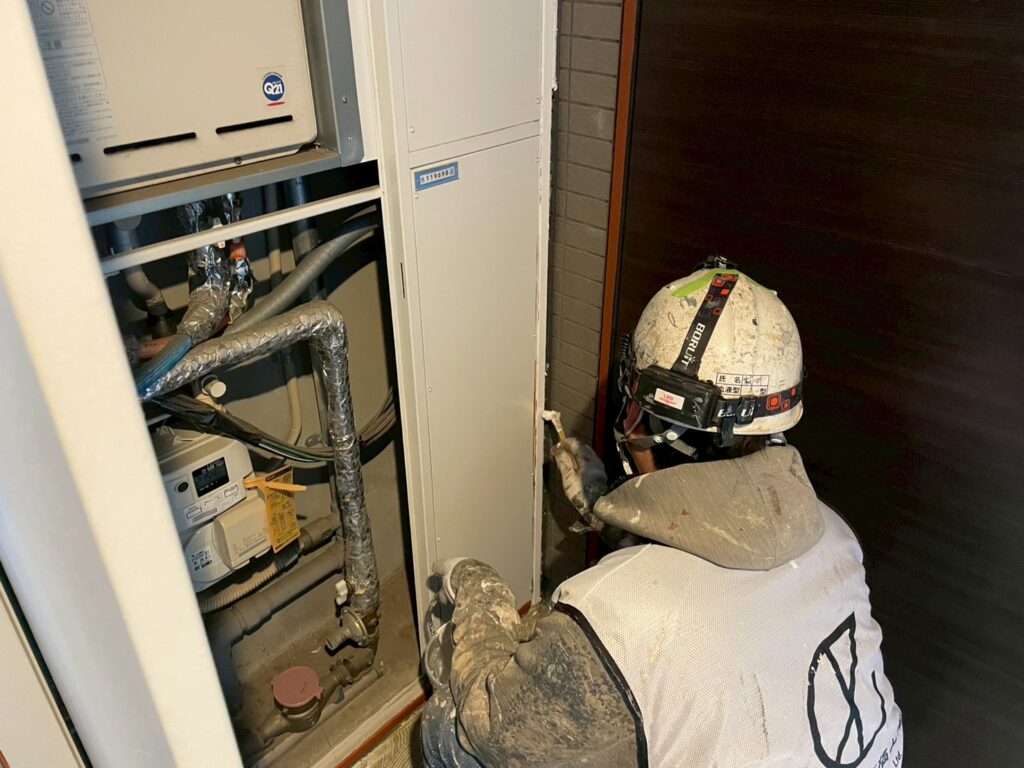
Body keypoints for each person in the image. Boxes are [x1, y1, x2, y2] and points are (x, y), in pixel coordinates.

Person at [420, 260, 903, 768]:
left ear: (650, 423)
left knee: (445, 730)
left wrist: (481, 596)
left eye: (633, 405)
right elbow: (721, 576)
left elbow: (493, 727)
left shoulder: (613, 623)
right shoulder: (836, 538)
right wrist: (610, 509)